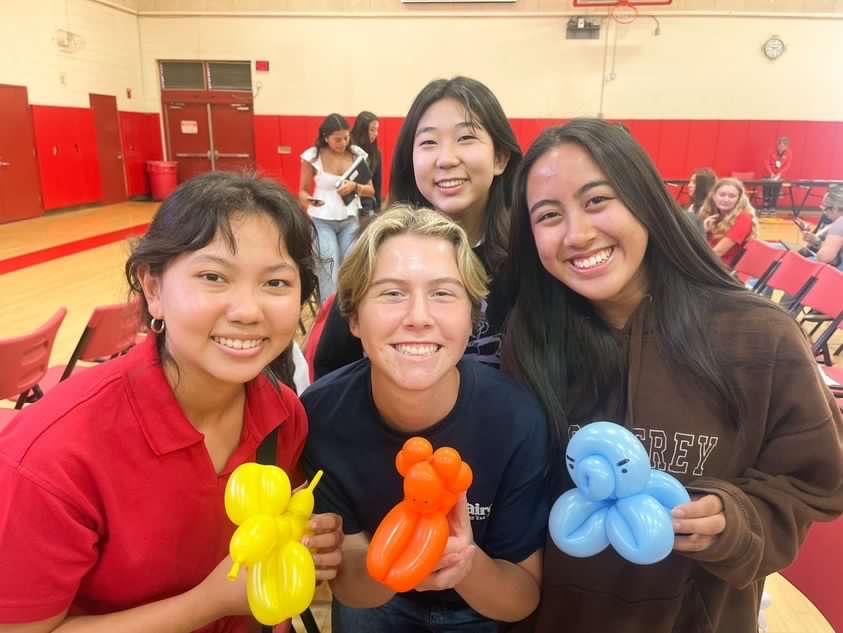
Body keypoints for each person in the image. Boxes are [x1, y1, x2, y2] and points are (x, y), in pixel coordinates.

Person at [502, 119, 843, 633]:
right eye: (549, 215)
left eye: (597, 201)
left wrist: (737, 519)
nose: (577, 234)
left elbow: (814, 482)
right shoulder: (531, 339)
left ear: (645, 201)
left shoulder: (759, 337)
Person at [0, 172, 344, 633]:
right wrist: (208, 602)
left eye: (276, 283)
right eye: (213, 277)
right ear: (153, 288)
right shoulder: (52, 456)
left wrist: (304, 543)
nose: (247, 311)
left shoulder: (283, 414)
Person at [301, 206, 548, 632]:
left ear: (472, 319)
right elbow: (352, 588)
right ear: (354, 318)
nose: (418, 317)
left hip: (479, 607)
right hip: (376, 604)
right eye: (392, 293)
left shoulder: (517, 421)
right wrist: (396, 566)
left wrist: (464, 564)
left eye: (443, 293)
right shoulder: (322, 416)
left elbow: (520, 596)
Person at [312, 76, 522, 378]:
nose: (446, 159)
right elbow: (334, 366)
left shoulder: (529, 255)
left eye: (466, 138)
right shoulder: (377, 250)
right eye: (428, 142)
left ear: (500, 158)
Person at [299, 113, 375, 303]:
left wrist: (355, 187)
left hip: (349, 220)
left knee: (351, 265)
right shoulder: (313, 156)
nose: (343, 142)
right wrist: (309, 199)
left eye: (346, 137)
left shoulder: (357, 154)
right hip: (322, 220)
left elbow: (371, 190)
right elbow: (301, 191)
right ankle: (328, 316)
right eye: (337, 139)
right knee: (329, 267)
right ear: (326, 137)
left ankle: (351, 310)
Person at [699, 177, 758, 267]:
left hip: (725, 270)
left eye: (732, 196)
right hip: (710, 264)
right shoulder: (712, 216)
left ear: (738, 199)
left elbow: (718, 252)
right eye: (722, 195)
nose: (726, 199)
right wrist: (705, 231)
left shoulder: (744, 218)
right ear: (714, 196)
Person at [795, 184, 843, 270]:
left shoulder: (840, 223)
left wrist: (816, 241)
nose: (824, 211)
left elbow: (825, 258)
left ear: (835, 208)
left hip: (836, 274)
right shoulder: (833, 222)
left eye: (825, 207)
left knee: (793, 262)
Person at [350, 111, 382, 217]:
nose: (376, 133)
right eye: (372, 130)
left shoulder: (376, 153)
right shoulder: (348, 149)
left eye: (377, 130)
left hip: (367, 206)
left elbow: (377, 184)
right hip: (348, 206)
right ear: (362, 130)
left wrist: (378, 210)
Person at [761, 136, 792, 212]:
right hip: (768, 174)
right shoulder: (771, 150)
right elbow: (766, 162)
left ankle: (773, 207)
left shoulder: (789, 153)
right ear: (777, 145)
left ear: (786, 147)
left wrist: (779, 174)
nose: (781, 147)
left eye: (783, 146)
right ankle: (765, 207)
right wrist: (771, 173)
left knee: (776, 191)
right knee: (766, 191)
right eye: (780, 145)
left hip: (779, 176)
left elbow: (787, 165)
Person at [685, 167, 716, 232]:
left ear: (704, 186)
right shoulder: (693, 206)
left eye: (694, 182)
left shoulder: (710, 208)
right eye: (690, 182)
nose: (689, 185)